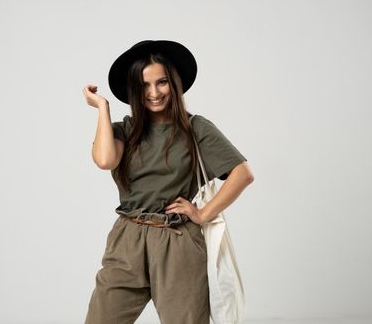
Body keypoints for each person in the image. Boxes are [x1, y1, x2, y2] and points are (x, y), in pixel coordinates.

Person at [82, 40, 254, 323]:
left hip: (177, 240)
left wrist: (202, 214)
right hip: (128, 237)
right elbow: (104, 160)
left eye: (161, 82)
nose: (153, 92)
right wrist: (102, 107)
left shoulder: (195, 128)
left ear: (174, 83)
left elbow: (243, 173)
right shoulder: (124, 131)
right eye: (144, 85)